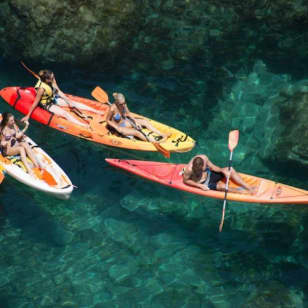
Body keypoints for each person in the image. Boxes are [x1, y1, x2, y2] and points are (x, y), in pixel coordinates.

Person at [21, 70, 103, 127]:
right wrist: (28, 115)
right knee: (64, 113)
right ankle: (82, 125)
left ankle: (96, 111)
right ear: (46, 79)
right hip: (47, 104)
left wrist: (68, 100)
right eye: (52, 78)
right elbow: (36, 102)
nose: (53, 79)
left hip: (53, 99)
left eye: (53, 77)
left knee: (73, 103)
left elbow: (58, 91)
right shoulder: (41, 89)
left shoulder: (51, 80)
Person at [182, 155, 255, 193]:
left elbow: (213, 167)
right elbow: (186, 181)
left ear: (203, 164)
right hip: (204, 183)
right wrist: (199, 185)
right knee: (223, 187)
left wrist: (222, 170)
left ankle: (248, 187)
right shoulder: (189, 169)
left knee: (230, 169)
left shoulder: (204, 158)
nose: (200, 171)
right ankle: (244, 192)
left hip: (209, 174)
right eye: (197, 170)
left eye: (201, 169)